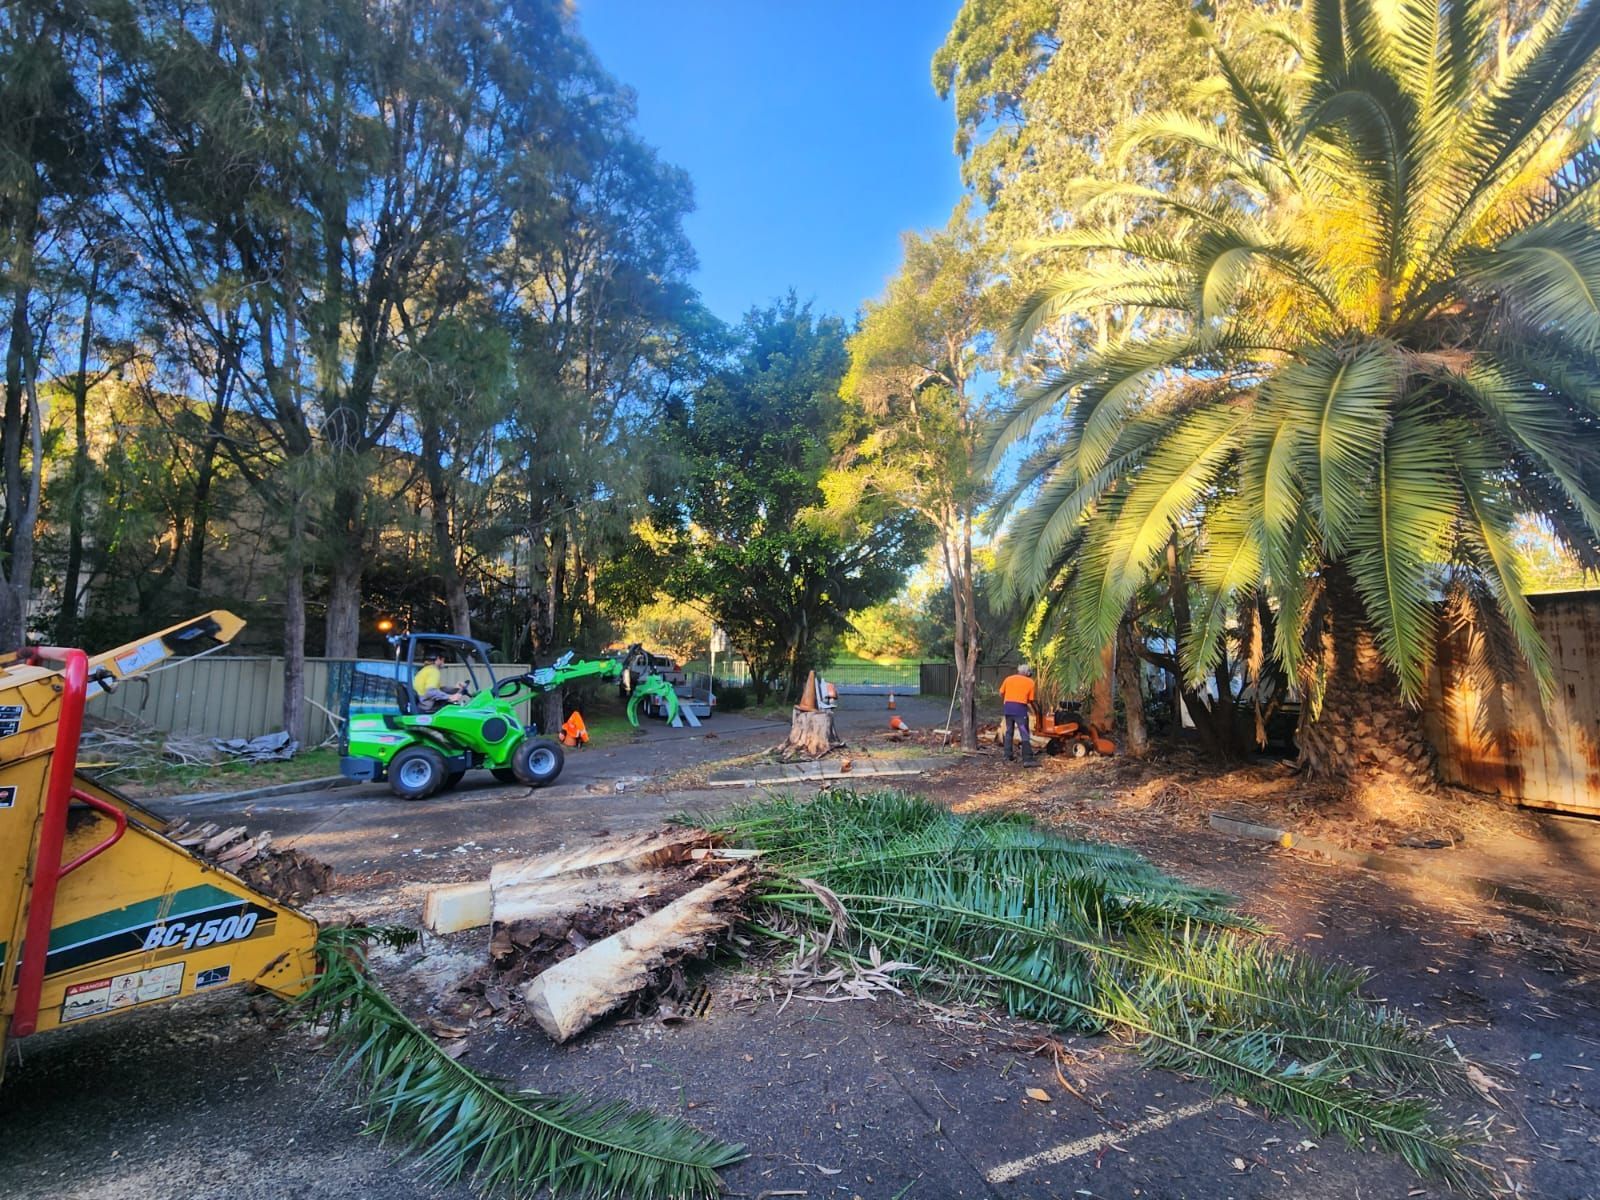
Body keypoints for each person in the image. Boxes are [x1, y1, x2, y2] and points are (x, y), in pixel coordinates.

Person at [998, 664, 1040, 767]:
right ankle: (1027, 759)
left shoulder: (1008, 679)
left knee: (1009, 732)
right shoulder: (1030, 682)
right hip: (1020, 711)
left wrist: (1007, 699)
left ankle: (1007, 756)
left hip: (1008, 709)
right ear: (1027, 673)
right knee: (1024, 733)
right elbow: (1031, 700)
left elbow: (1000, 693)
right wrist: (1036, 710)